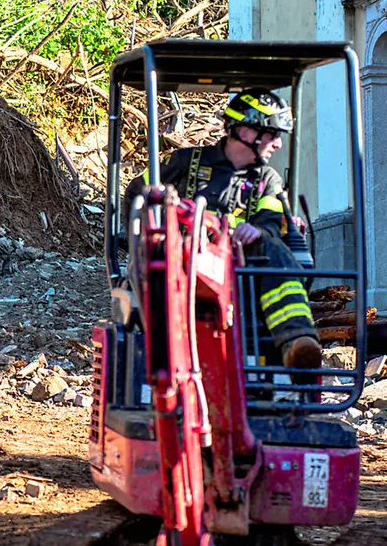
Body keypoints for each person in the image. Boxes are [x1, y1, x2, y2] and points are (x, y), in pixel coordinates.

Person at [121, 88, 321, 369]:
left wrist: (260, 233)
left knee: (275, 249)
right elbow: (137, 193)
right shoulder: (183, 163)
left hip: (241, 276)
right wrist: (139, 241)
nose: (277, 144)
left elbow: (271, 222)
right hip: (180, 269)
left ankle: (297, 340)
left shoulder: (268, 180)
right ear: (247, 131)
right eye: (273, 134)